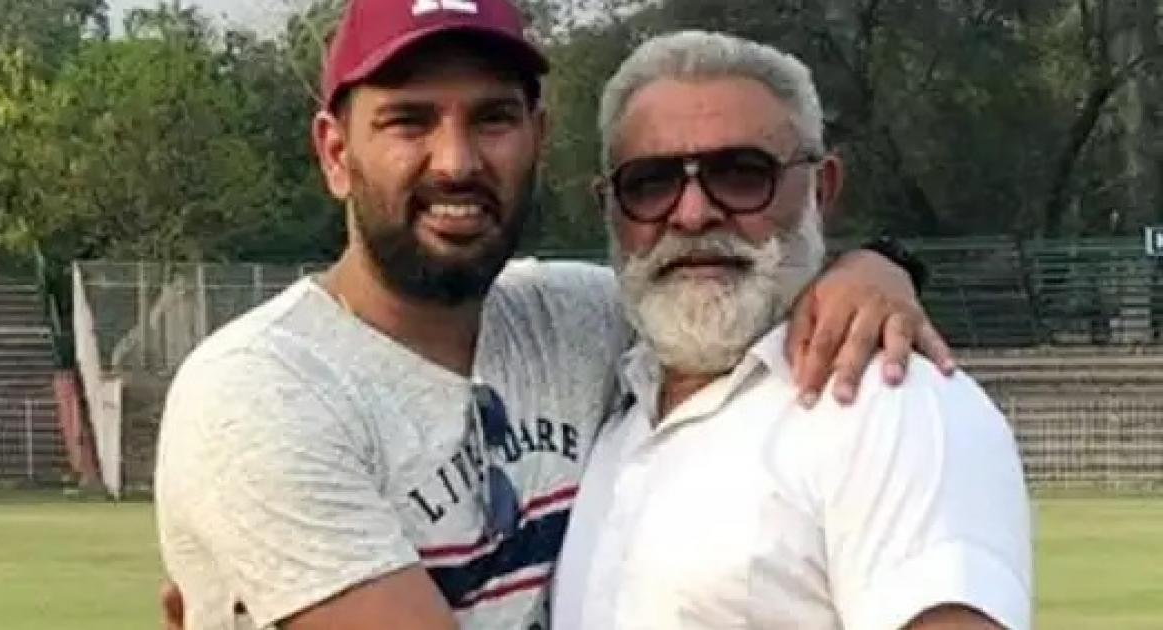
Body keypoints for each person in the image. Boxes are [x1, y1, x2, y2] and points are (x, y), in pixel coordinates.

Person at [153, 1, 955, 629]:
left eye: (492, 118)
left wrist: (873, 268)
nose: (457, 161)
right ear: (336, 153)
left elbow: (733, 269)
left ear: (537, 136)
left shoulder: (578, 320)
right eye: (409, 120)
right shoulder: (261, 392)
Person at [550, 31, 1031, 630]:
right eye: (651, 183)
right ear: (608, 208)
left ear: (822, 189)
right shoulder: (609, 401)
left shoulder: (892, 404)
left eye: (741, 174)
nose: (693, 214)